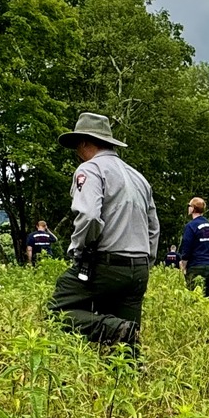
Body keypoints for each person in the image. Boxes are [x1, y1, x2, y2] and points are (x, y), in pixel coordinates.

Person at [47, 112, 160, 351]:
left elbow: (88, 215)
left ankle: (111, 328)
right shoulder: (139, 178)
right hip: (139, 269)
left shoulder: (89, 170)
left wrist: (78, 249)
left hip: (105, 264)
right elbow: (153, 229)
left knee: (55, 311)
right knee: (125, 346)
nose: (77, 151)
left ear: (85, 142)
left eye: (77, 145)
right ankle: (128, 372)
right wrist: (145, 263)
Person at [179, 196, 209, 298]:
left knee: (194, 296)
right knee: (208, 296)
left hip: (196, 266)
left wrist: (183, 264)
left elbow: (187, 246)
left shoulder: (190, 226)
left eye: (189, 206)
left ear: (193, 208)